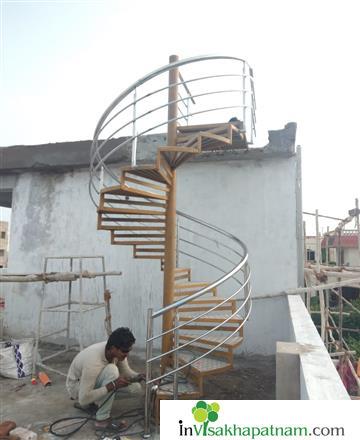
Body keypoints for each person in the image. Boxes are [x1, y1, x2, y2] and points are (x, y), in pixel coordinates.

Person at [66, 327, 145, 429]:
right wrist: (111, 386)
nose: (127, 354)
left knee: (136, 388)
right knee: (112, 371)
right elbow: (83, 398)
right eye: (124, 351)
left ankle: (95, 402)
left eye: (129, 351)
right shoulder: (93, 363)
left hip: (92, 384)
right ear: (113, 348)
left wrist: (139, 376)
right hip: (78, 388)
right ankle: (102, 420)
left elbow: (127, 372)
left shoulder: (116, 351)